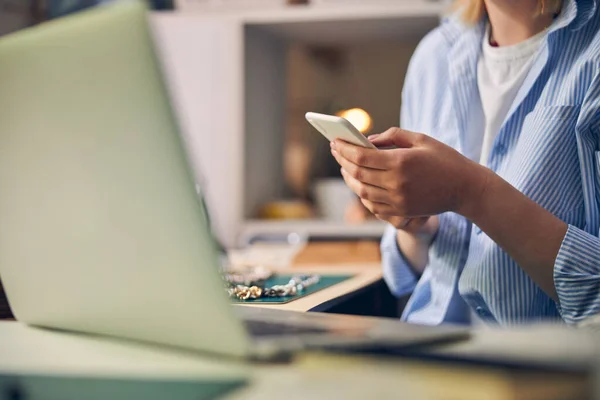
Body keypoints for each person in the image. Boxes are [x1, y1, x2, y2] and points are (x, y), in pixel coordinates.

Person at [330, 0, 600, 325]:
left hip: (555, 368)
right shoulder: (434, 56)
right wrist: (414, 224)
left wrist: (470, 192)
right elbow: (414, 274)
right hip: (435, 356)